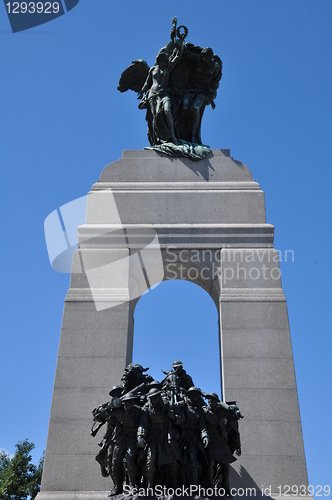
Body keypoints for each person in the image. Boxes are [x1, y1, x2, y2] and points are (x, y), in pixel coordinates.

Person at [138, 36, 184, 145]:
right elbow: (147, 83)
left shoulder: (168, 68)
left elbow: (178, 56)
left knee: (167, 111)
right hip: (152, 94)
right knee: (155, 116)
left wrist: (181, 42)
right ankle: (157, 139)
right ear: (159, 60)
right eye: (161, 59)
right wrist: (141, 91)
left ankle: (172, 137)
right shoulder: (152, 70)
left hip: (164, 93)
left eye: (164, 59)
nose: (163, 61)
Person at [137, 388, 183, 488]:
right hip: (153, 436)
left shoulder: (168, 404)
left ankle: (174, 483)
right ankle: (150, 485)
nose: (155, 399)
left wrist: (173, 417)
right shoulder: (147, 408)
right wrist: (140, 436)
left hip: (167, 435)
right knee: (151, 458)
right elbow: (143, 423)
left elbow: (181, 419)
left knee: (173, 461)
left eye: (156, 396)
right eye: (152, 398)